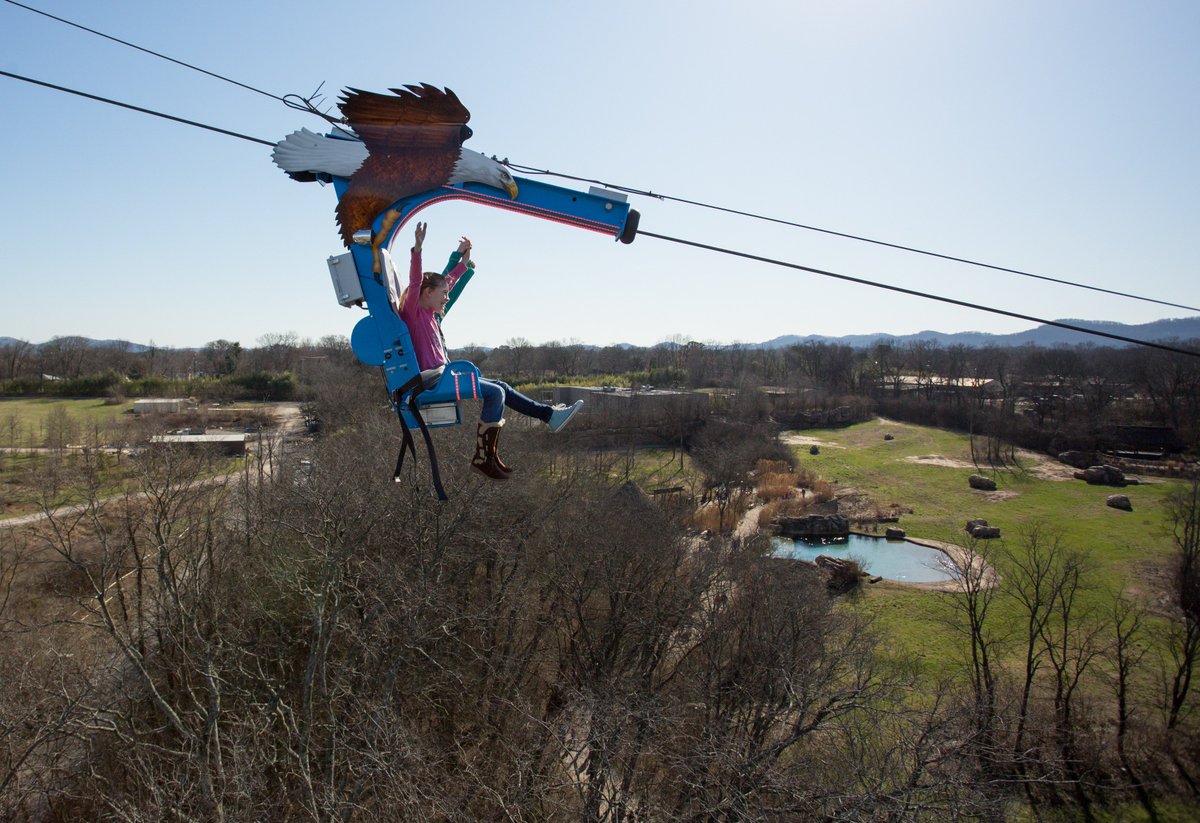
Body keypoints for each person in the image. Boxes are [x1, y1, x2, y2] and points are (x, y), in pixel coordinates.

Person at [400, 222, 582, 480]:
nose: (447, 298)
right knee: (495, 393)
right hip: (433, 381)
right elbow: (416, 280)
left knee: (501, 387)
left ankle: (548, 416)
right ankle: (484, 458)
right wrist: (417, 249)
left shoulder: (430, 314)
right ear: (427, 293)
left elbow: (447, 281)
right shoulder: (414, 313)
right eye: (443, 294)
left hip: (442, 376)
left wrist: (463, 263)